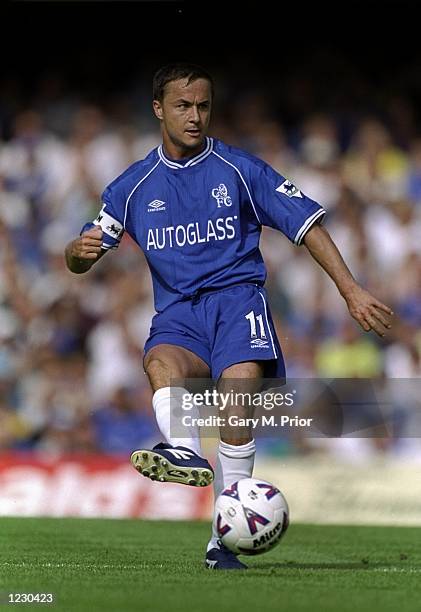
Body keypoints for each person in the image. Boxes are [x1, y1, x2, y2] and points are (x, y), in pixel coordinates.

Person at [64, 63, 393, 569]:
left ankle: (223, 540)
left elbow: (307, 225)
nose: (195, 117)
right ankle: (185, 451)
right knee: (159, 361)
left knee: (234, 403)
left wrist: (350, 290)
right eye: (182, 106)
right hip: (178, 313)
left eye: (203, 106)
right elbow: (80, 258)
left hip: (238, 302)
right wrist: (78, 251)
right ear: (159, 109)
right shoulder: (131, 187)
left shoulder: (241, 169)